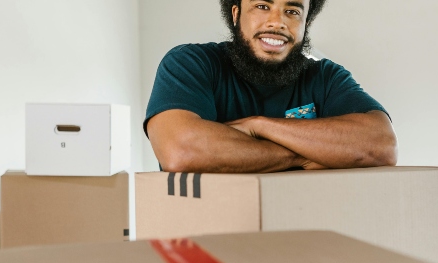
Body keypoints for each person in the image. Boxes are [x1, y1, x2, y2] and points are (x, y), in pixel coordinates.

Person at [145, 0, 397, 173]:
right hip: (206, 238)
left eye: (293, 11)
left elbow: (381, 146)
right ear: (236, 14)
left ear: (305, 23)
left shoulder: (325, 77)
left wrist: (258, 125)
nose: (277, 22)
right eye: (263, 6)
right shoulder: (191, 64)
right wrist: (302, 156)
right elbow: (181, 150)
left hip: (302, 235)